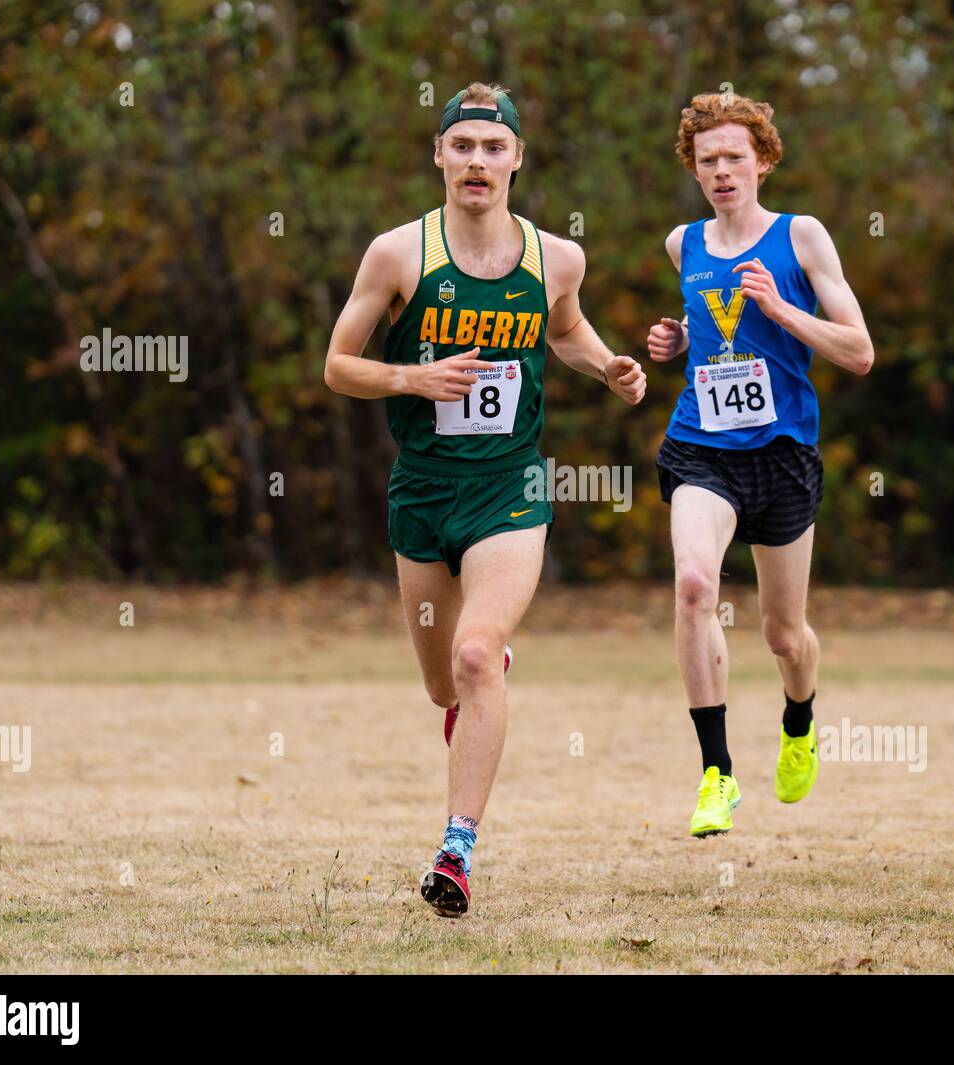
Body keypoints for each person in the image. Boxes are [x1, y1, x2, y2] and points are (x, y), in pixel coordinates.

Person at [324, 82, 645, 914]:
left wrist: (607, 363)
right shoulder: (398, 254)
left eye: (492, 147)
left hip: (510, 487)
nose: (477, 160)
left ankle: (456, 849)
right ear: (438, 155)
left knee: (474, 655)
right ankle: (477, 686)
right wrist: (410, 376)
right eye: (461, 145)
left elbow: (565, 327)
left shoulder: (555, 258)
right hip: (423, 491)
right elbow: (337, 365)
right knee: (445, 686)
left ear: (517, 159)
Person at [646, 92, 874, 837]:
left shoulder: (802, 237)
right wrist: (678, 339)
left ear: (763, 161)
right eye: (706, 160)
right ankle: (717, 774)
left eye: (734, 157)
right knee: (691, 586)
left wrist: (783, 311)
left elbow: (859, 351)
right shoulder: (683, 243)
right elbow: (712, 319)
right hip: (700, 448)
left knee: (784, 633)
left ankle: (799, 716)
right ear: (694, 169)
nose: (720, 171)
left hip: (782, 456)